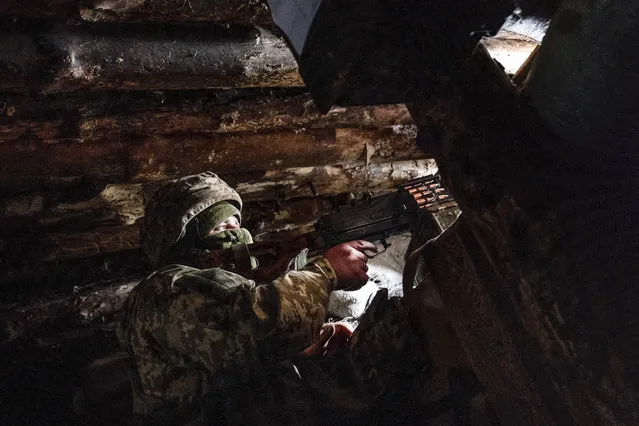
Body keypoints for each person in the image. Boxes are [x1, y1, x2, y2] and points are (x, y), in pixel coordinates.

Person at [116, 171, 399, 425]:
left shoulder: (217, 290)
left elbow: (238, 369)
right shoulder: (166, 287)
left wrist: (316, 342)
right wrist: (326, 273)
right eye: (219, 228)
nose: (236, 234)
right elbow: (253, 331)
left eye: (235, 223)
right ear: (186, 242)